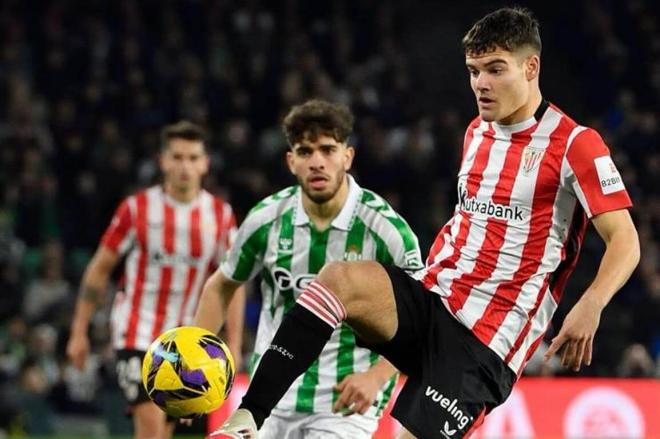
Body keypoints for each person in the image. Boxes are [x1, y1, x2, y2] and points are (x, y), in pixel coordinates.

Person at [211, 7, 640, 439]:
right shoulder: (477, 132)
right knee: (339, 278)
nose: (481, 84)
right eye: (474, 71)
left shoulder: (575, 144)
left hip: (485, 342)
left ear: (531, 67)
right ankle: (248, 418)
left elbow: (625, 239)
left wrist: (593, 302)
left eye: (495, 70)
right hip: (435, 300)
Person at [195, 99, 423, 438]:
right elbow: (221, 285)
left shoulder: (385, 229)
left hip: (344, 402)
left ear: (348, 156)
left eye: (328, 150)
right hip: (268, 399)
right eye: (305, 152)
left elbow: (423, 318)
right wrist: (197, 362)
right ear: (291, 161)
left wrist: (376, 377)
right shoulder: (266, 219)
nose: (317, 162)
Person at [66, 121, 246, 439]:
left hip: (186, 341)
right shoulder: (136, 210)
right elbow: (99, 269)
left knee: (162, 430)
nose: (184, 166)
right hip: (137, 331)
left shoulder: (220, 216)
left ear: (205, 164)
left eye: (192, 158)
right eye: (177, 157)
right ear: (162, 161)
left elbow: (232, 283)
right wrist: (79, 331)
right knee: (150, 423)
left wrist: (231, 345)